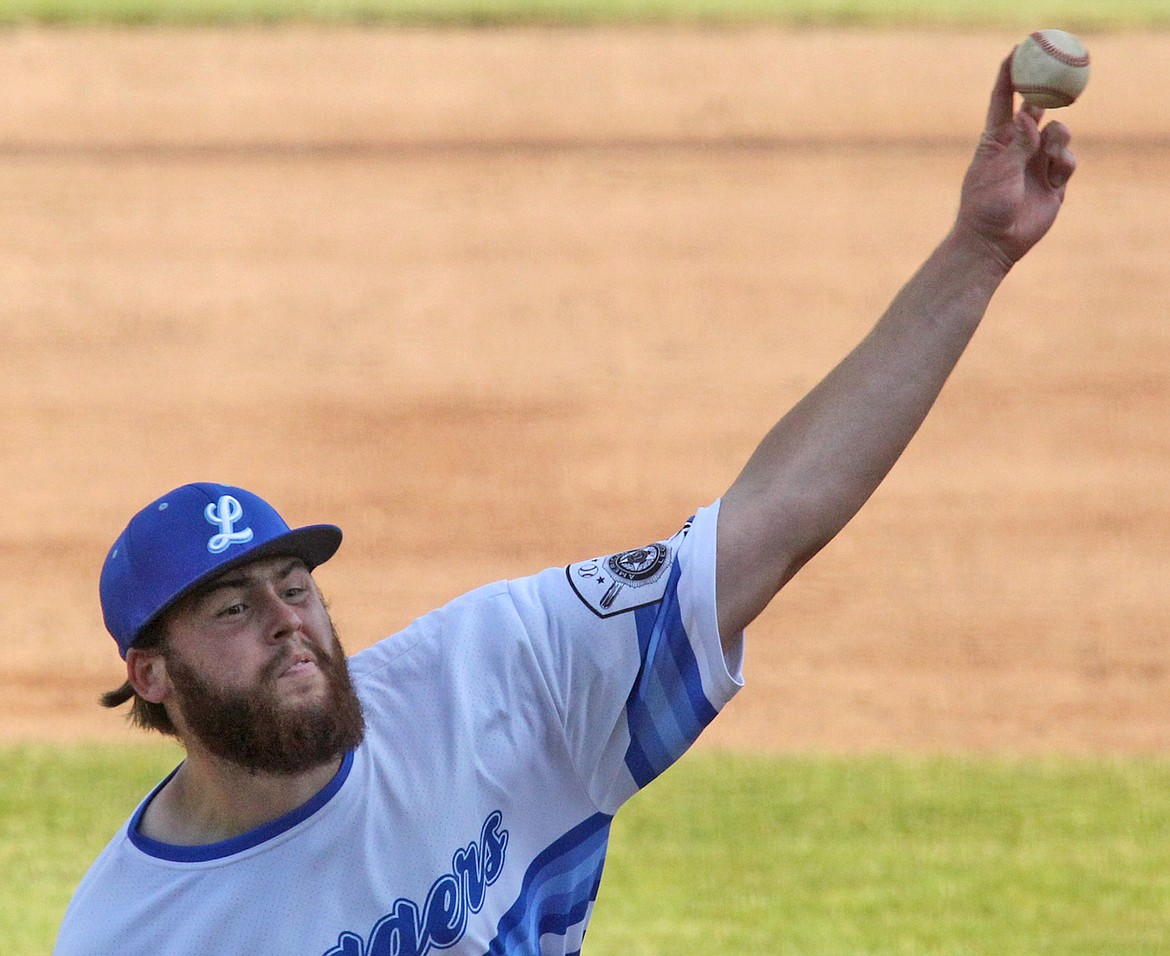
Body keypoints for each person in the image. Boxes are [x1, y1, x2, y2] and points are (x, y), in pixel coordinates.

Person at [55, 53, 1076, 956]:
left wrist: (976, 254)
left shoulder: (489, 680)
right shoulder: (124, 932)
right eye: (234, 608)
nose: (291, 620)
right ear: (152, 672)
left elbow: (773, 517)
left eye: (294, 583)